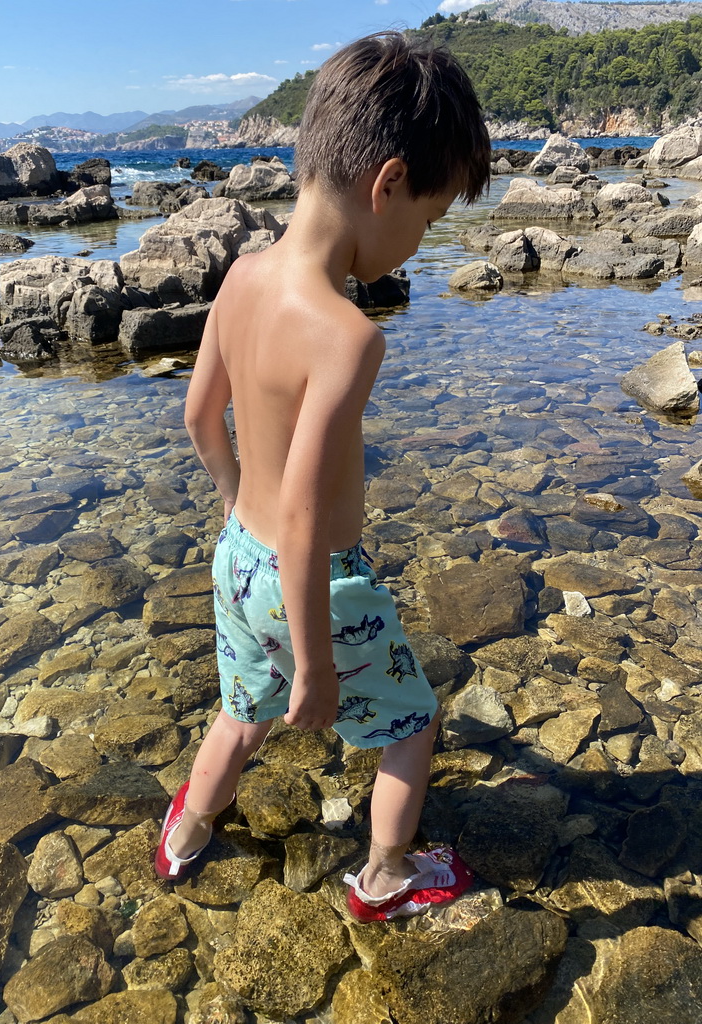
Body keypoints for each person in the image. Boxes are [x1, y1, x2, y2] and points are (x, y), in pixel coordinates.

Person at [154, 30, 491, 922]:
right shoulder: (348, 335)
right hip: (320, 587)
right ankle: (385, 877)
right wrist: (315, 664)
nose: (416, 245)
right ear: (386, 184)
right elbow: (306, 515)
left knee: (241, 710)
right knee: (412, 726)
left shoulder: (242, 277)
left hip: (239, 558)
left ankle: (184, 839)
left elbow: (198, 416)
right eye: (427, 218)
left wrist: (234, 504)